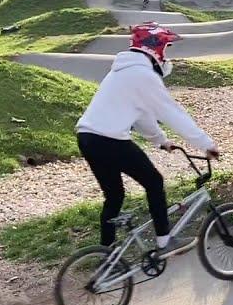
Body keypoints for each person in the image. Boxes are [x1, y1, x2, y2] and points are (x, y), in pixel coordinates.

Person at [75, 23, 219, 255]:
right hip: (111, 139)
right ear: (156, 48)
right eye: (166, 48)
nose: (166, 55)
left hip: (87, 138)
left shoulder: (122, 71)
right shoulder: (142, 75)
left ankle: (106, 254)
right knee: (154, 182)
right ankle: (164, 241)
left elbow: (141, 115)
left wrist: (161, 140)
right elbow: (171, 112)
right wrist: (205, 144)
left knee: (114, 196)